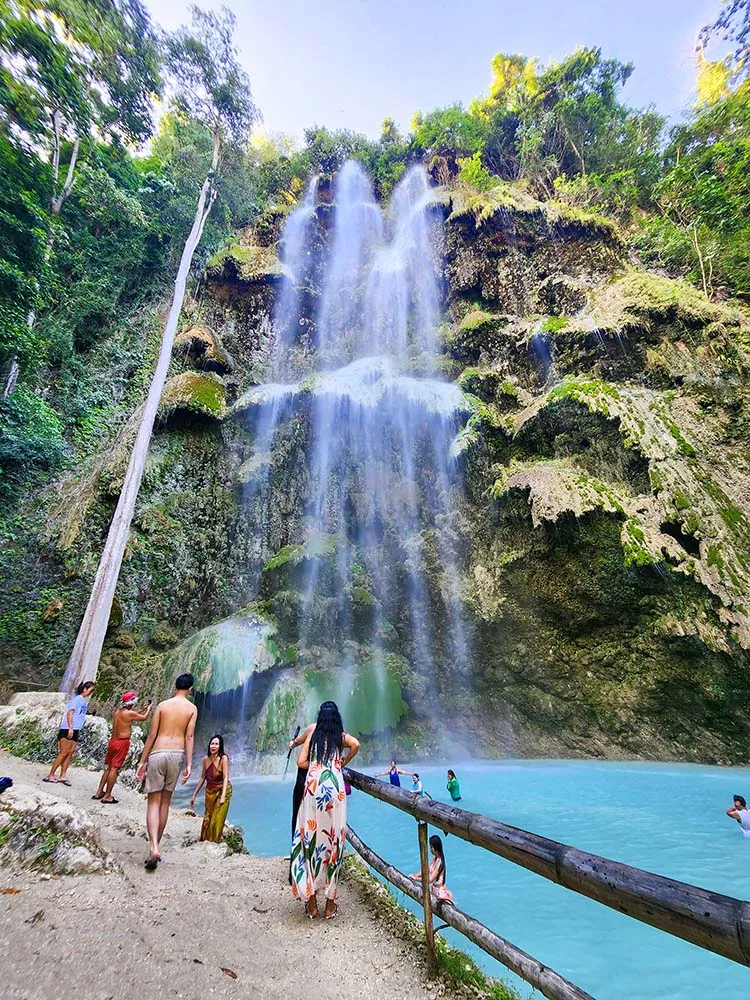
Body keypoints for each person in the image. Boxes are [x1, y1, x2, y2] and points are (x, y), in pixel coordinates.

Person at [290, 701, 359, 919]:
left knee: (309, 839)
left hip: (313, 787)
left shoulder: (314, 735)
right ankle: (329, 906)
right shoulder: (340, 736)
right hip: (335, 789)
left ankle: (311, 904)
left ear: (320, 717)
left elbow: (300, 762)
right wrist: (341, 762)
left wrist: (315, 766)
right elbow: (356, 744)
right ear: (337, 718)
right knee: (334, 841)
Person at [136, 673, 197, 871]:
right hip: (177, 754)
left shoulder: (163, 706)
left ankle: (153, 846)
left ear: (174, 686)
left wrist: (142, 761)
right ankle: (157, 846)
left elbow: (152, 735)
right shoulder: (192, 708)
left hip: (158, 752)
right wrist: (189, 764)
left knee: (153, 802)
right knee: (165, 803)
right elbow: (189, 736)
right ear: (190, 689)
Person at [93, 692, 152, 803]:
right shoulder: (129, 714)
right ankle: (107, 796)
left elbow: (132, 715)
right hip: (122, 743)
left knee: (109, 768)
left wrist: (141, 709)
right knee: (114, 769)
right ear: (131, 702)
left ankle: (99, 792)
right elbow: (144, 718)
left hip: (113, 742)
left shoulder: (118, 713)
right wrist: (148, 709)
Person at [43, 681, 95, 785]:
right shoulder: (77, 699)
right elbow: (70, 713)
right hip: (68, 728)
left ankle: (63, 775)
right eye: (90, 690)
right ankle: (51, 774)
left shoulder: (83, 701)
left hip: (76, 729)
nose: (91, 693)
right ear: (85, 689)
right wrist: (70, 727)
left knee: (70, 752)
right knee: (64, 752)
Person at [190, 734, 232, 843]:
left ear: (220, 746)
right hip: (210, 792)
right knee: (207, 820)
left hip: (223, 790)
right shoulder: (205, 760)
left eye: (216, 744)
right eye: (212, 743)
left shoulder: (223, 758)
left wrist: (223, 796)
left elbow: (225, 777)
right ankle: (205, 841)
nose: (213, 746)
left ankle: (215, 843)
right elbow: (202, 777)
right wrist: (194, 794)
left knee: (216, 821)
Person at [409, 834, 453, 903]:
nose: (430, 849)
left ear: (435, 848)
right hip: (435, 891)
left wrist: (415, 879)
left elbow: (430, 880)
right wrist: (414, 875)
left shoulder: (439, 863)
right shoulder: (435, 860)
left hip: (440, 894)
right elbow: (426, 871)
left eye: (431, 847)